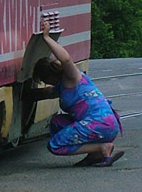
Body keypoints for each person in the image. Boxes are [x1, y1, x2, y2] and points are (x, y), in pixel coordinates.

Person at [32, 15, 124, 167]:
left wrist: (47, 38)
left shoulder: (72, 77)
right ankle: (94, 154)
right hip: (104, 123)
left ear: (49, 77)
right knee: (56, 122)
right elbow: (46, 93)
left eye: (44, 80)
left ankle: (101, 148)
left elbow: (66, 59)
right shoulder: (62, 86)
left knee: (55, 145)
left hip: (100, 124)